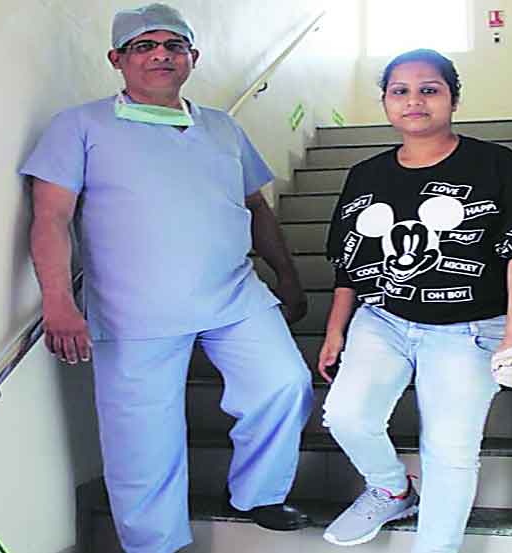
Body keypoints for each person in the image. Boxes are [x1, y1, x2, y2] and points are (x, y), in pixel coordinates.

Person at [18, 4, 314, 553]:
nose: (161, 55)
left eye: (174, 45)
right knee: (143, 440)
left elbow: (256, 206)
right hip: (134, 310)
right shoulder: (79, 126)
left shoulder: (223, 127)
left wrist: (288, 277)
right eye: (144, 46)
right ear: (117, 59)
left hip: (235, 295)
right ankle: (154, 544)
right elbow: (51, 217)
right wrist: (58, 301)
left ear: (192, 57)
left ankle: (258, 493)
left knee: (283, 383)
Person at [316, 48, 512, 551]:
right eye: (400, 91)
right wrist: (335, 329)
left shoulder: (496, 164)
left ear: (453, 99)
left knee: (449, 450)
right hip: (383, 319)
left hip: (471, 329)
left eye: (429, 89)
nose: (414, 101)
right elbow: (348, 262)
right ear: (385, 101)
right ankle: (392, 489)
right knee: (348, 416)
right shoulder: (365, 174)